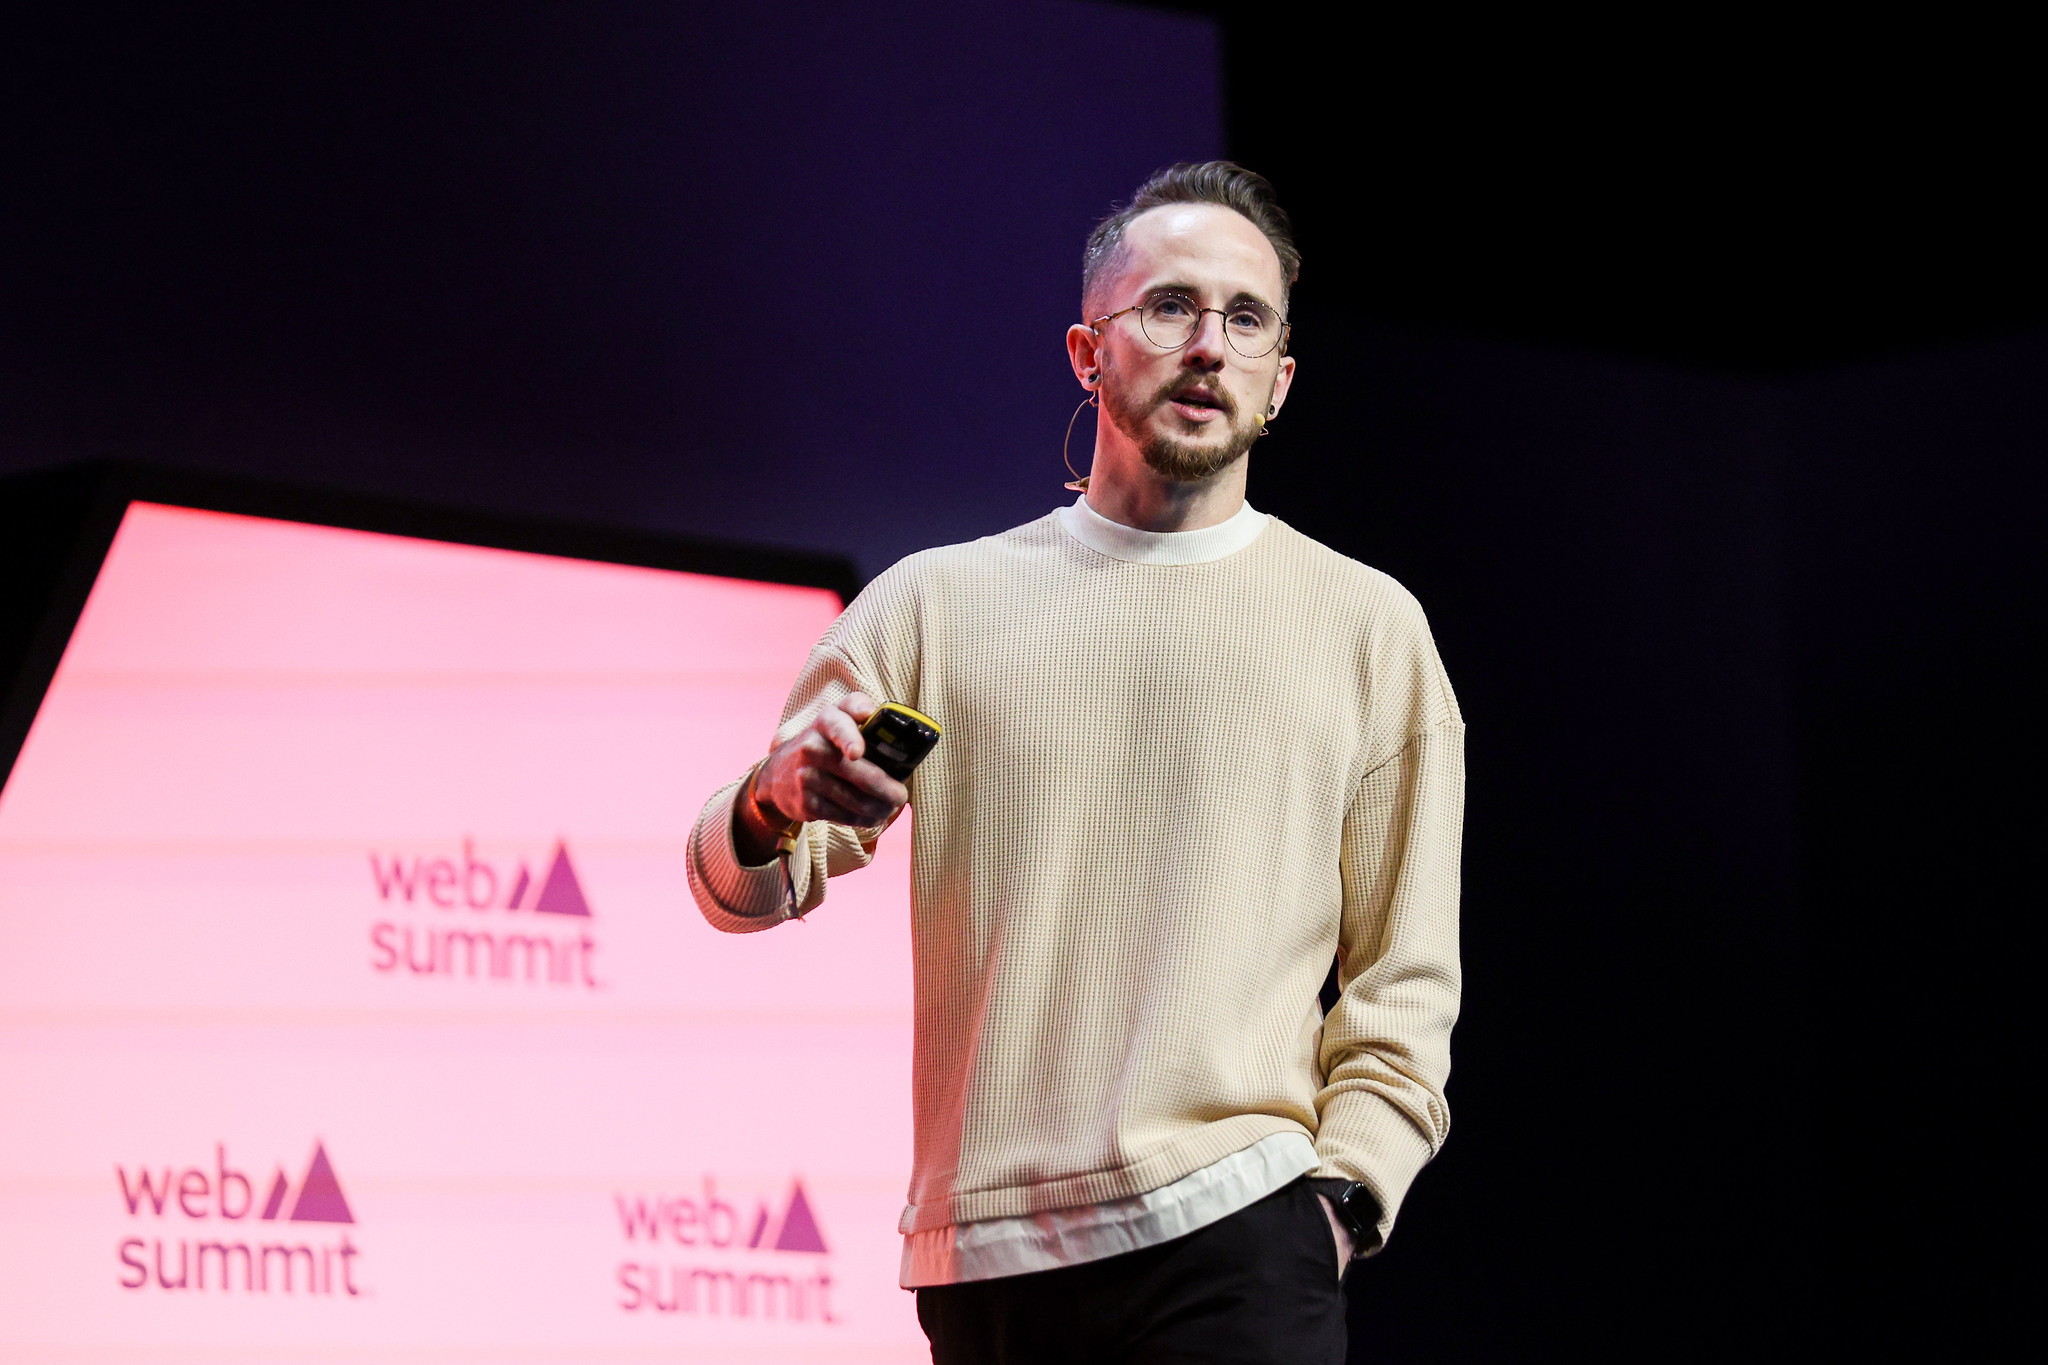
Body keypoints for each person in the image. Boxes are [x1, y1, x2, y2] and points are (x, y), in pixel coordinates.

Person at [686, 161, 1463, 1363]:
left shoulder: (1365, 629)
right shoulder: (937, 607)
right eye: (1168, 306)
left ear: (1278, 381)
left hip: (1238, 1224)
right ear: (1086, 353)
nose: (1205, 346)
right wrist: (769, 801)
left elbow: (1402, 980)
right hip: (986, 1258)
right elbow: (738, 888)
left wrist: (1345, 1198)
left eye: (1244, 319)